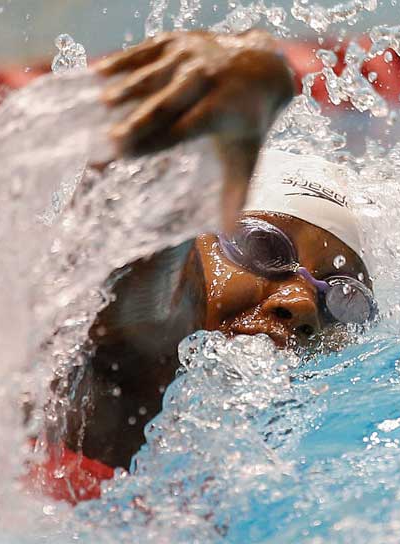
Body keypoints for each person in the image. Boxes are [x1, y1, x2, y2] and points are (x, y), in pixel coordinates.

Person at [31, 29, 377, 503]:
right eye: (264, 249)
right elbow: (136, 235)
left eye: (343, 296)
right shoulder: (116, 375)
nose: (301, 303)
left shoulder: (263, 468)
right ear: (193, 242)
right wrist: (211, 105)